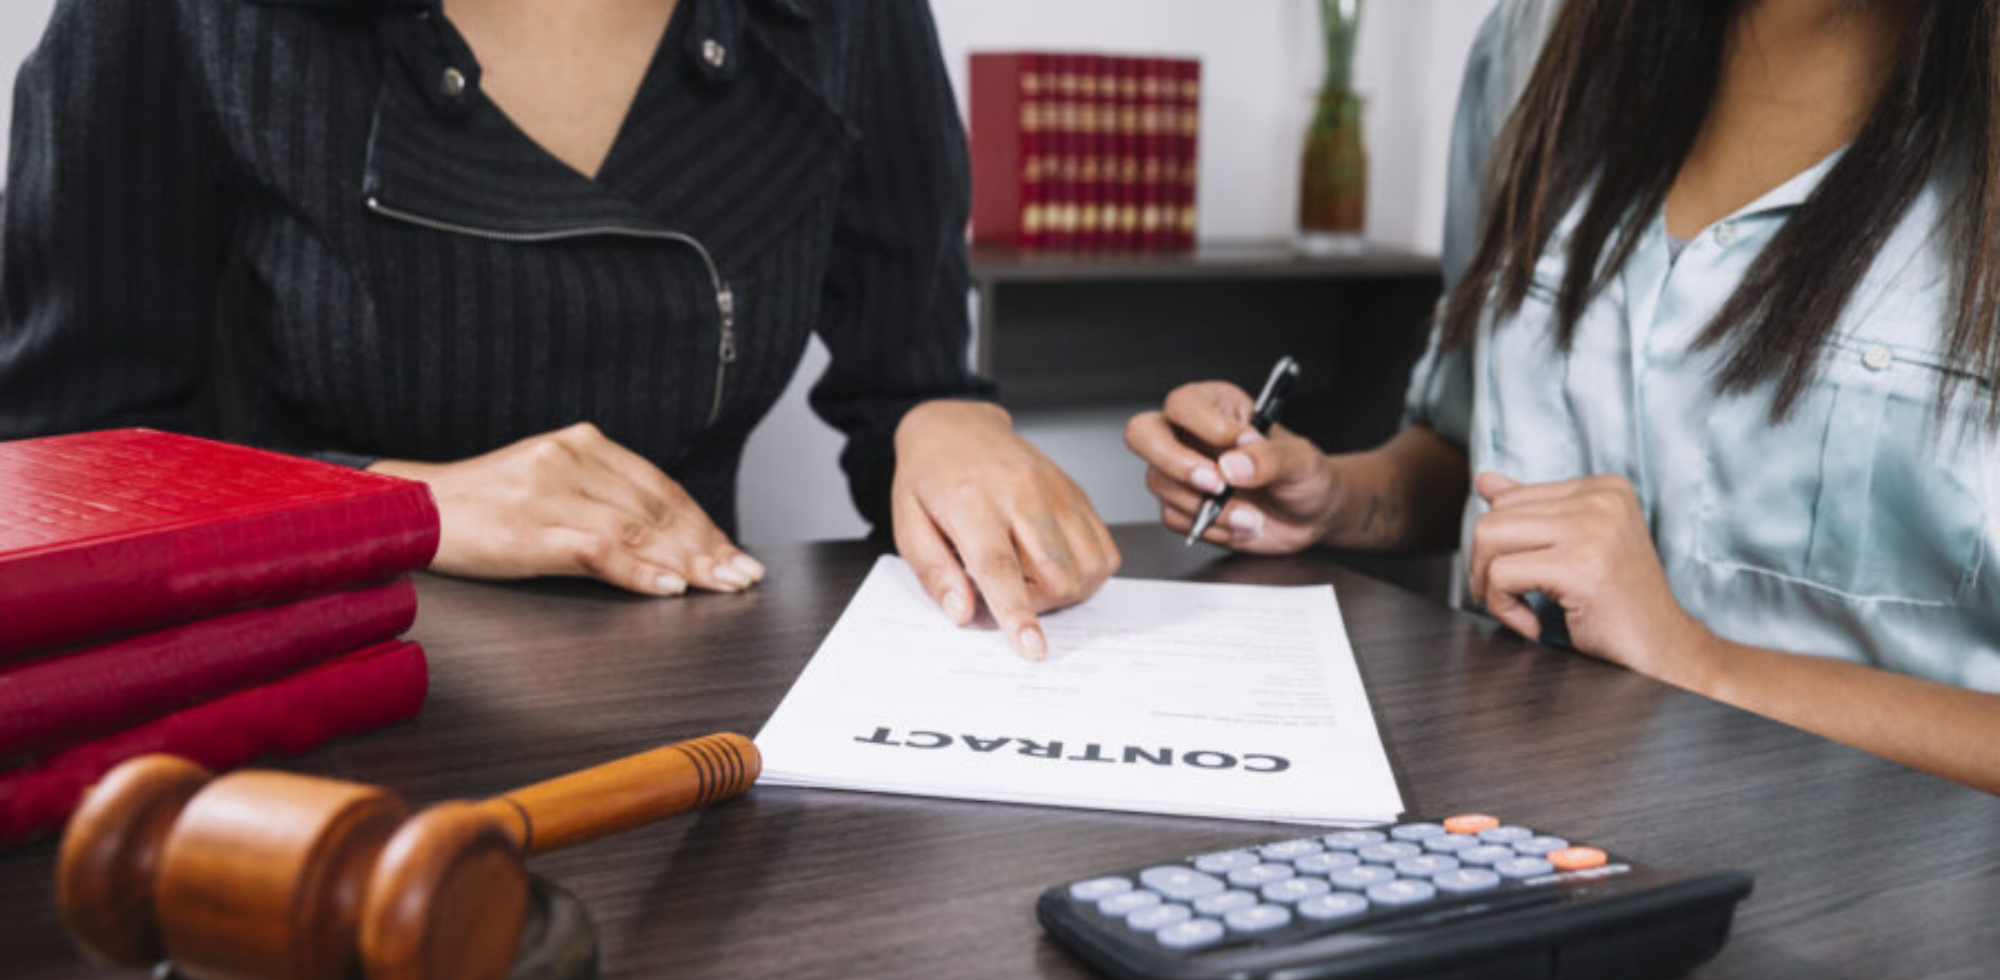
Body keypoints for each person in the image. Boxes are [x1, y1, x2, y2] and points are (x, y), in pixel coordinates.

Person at [0, 0, 1117, 660]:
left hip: (720, 733)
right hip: (320, 718)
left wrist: (946, 420)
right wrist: (398, 508)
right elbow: (59, 467)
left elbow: (909, 374)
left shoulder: (842, 19)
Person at [1126, 0, 2000, 793]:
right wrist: (1333, 501)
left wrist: (1698, 662)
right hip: (1519, 821)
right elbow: (1470, 442)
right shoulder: (1531, 43)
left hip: (1884, 915)